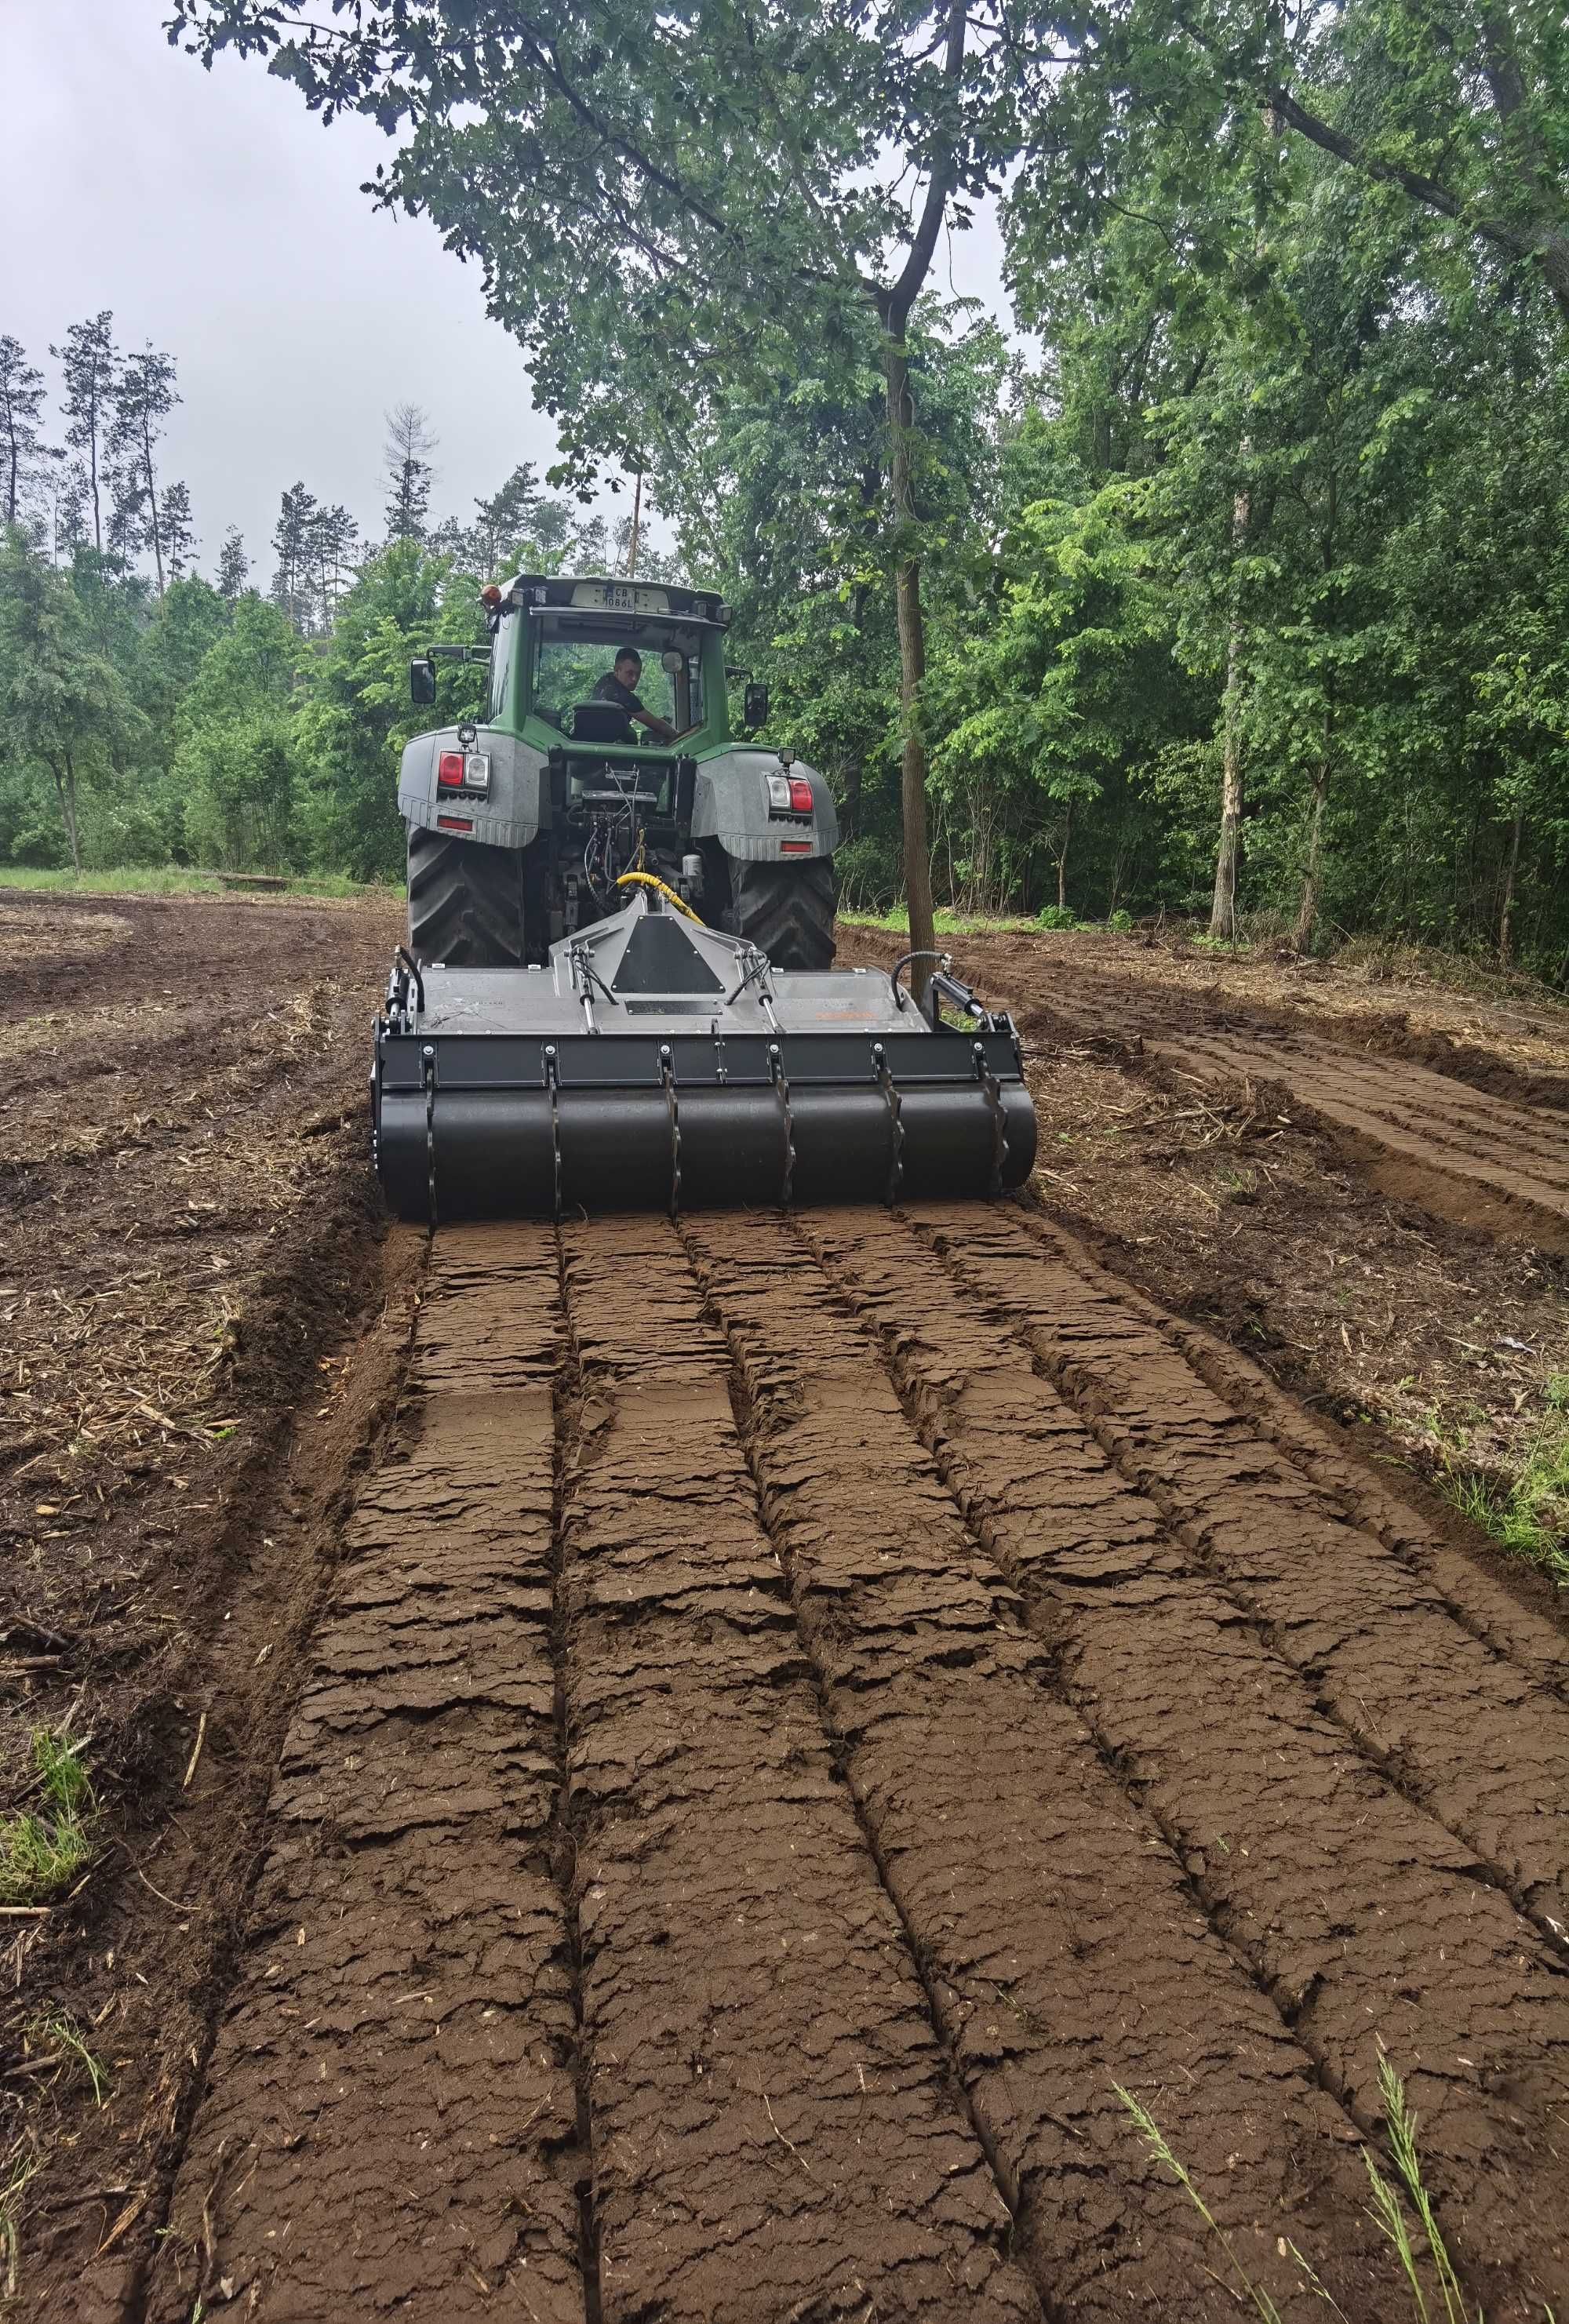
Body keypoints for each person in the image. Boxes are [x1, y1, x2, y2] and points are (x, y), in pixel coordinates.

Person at [590, 648, 679, 744]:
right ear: (616, 670)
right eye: (630, 673)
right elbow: (659, 726)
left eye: (638, 673)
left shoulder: (604, 680)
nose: (634, 679)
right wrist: (680, 737)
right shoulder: (624, 697)